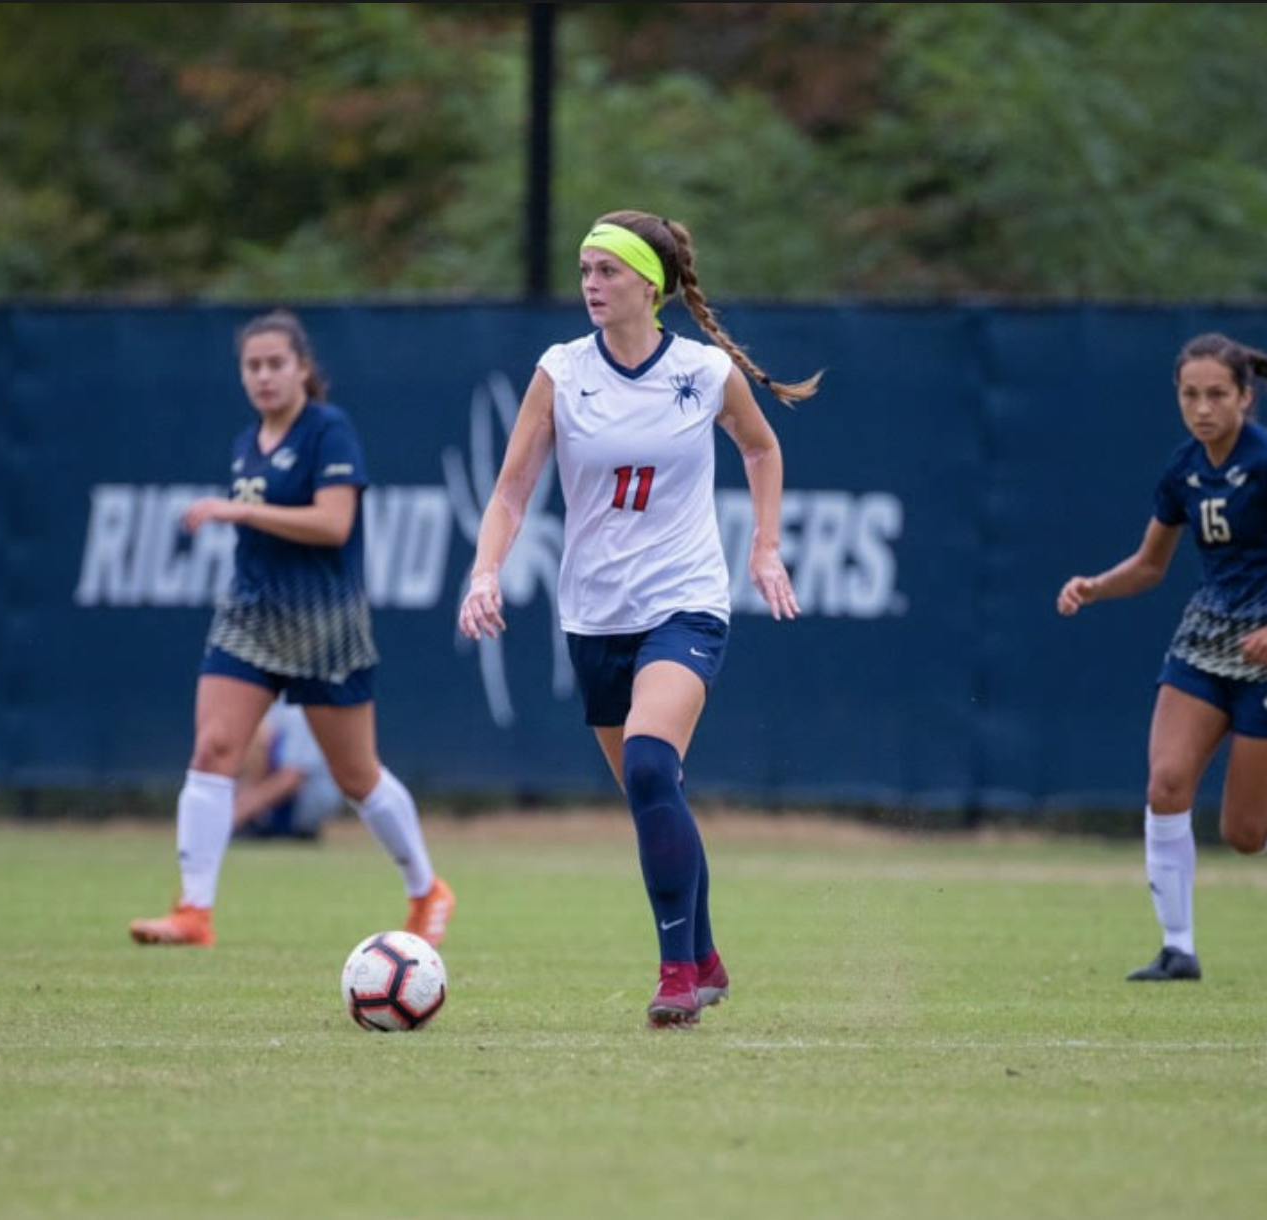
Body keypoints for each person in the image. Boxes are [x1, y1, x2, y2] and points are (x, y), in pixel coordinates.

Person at [458, 210, 816, 1027]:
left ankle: (676, 974)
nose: (591, 284)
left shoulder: (702, 370)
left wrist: (764, 549)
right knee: (658, 795)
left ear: (648, 285)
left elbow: (761, 448)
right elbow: (512, 491)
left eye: (607, 271)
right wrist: (485, 572)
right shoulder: (561, 371)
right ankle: (711, 953)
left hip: (685, 600)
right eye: (584, 270)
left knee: (654, 767)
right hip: (592, 616)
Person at [1057, 332, 1267, 983]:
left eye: (1215, 395)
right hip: (1204, 643)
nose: (1202, 408)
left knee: (1245, 833)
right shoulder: (1184, 468)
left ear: (1244, 397)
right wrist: (1096, 586)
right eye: (1189, 395)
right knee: (1167, 783)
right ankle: (1178, 948)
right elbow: (1151, 566)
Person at [130, 310, 456, 948]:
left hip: (325, 624)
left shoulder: (328, 431)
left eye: (276, 363)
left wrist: (239, 509)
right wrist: (243, 512)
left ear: (303, 367)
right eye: (252, 366)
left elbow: (334, 524)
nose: (264, 376)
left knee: (355, 775)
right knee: (213, 750)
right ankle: (194, 912)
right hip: (250, 618)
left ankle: (427, 889)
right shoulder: (247, 442)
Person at [232, 698, 344, 841]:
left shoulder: (300, 711)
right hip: (266, 801)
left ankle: (261, 823)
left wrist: (234, 816)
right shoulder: (268, 702)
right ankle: (255, 822)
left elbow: (292, 779)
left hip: (305, 803)